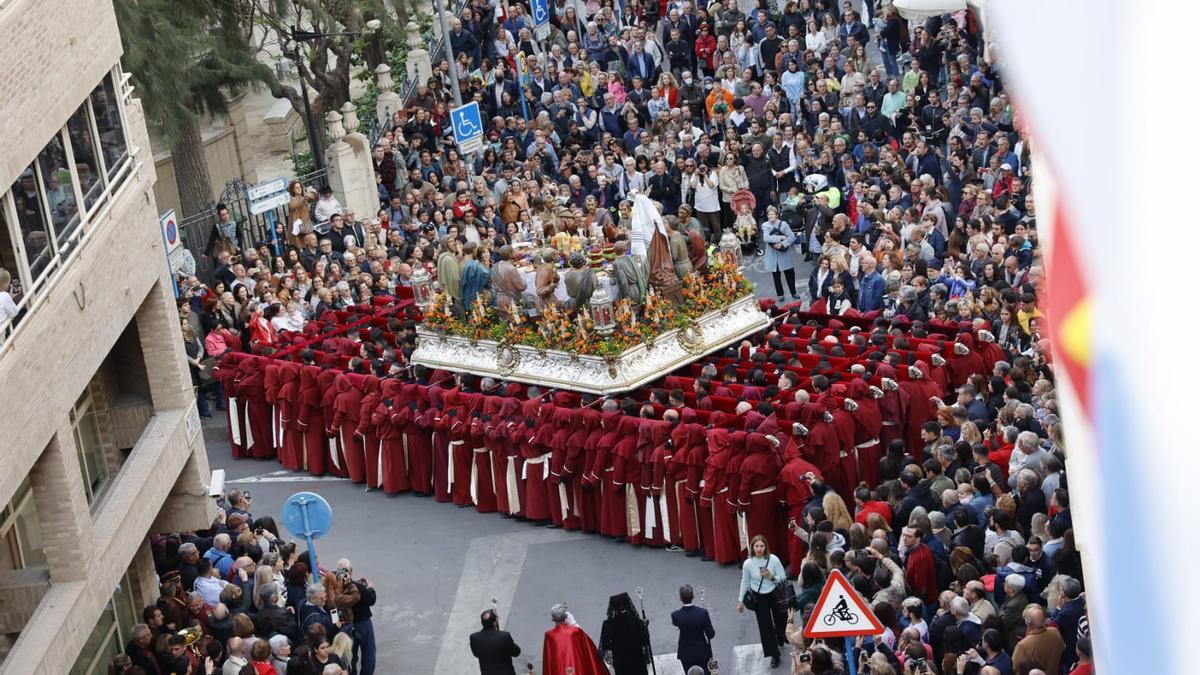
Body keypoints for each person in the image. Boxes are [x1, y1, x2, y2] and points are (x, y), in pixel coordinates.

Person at [736, 535, 788, 669]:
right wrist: (740, 600)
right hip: (759, 597)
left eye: (762, 546)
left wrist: (771, 577)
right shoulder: (748, 564)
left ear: (766, 547)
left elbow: (783, 578)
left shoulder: (774, 560)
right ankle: (774, 655)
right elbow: (745, 582)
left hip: (774, 593)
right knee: (765, 627)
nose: (759, 549)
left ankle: (780, 636)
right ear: (752, 547)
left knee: (781, 619)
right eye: (756, 546)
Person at [542, 603, 607, 675]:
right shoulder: (575, 631)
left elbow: (548, 660)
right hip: (576, 669)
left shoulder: (549, 635)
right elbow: (588, 649)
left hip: (558, 670)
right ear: (566, 616)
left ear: (553, 618)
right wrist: (574, 624)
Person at [598, 592, 651, 674]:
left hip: (620, 663)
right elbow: (645, 640)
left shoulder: (608, 625)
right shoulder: (636, 622)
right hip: (637, 661)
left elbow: (605, 645)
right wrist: (644, 626)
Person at [671, 584, 715, 674]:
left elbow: (675, 623)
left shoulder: (675, 615)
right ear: (693, 596)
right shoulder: (703, 613)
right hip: (702, 652)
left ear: (680, 598)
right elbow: (711, 634)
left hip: (686, 653)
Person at [470, 608, 521, 675]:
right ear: (494, 623)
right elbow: (516, 652)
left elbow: (476, 654)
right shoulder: (504, 636)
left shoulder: (474, 637)